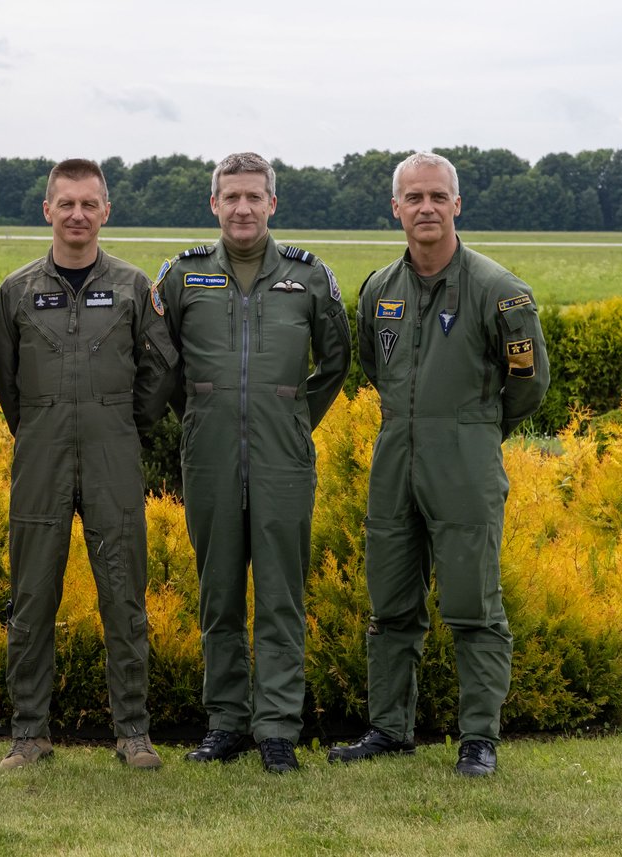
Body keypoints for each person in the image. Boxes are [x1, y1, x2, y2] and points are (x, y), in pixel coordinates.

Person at [328, 151, 549, 776]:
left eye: (437, 197)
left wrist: (475, 429)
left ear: (457, 205)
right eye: (413, 198)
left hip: (465, 459)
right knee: (390, 603)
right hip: (395, 455)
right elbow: (375, 364)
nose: (426, 208)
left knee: (473, 605)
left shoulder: (500, 291)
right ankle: (389, 729)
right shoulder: (380, 288)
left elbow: (528, 384)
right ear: (396, 208)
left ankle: (478, 739)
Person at [156, 152, 352, 773]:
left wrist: (294, 417)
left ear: (273, 203)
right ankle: (225, 723)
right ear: (214, 204)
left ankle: (276, 729)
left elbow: (337, 361)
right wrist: (198, 417)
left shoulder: (309, 277)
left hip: (283, 458)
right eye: (231, 197)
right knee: (218, 594)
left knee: (280, 595)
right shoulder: (182, 277)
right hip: (210, 455)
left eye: (254, 197)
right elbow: (161, 367)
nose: (243, 208)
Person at [0, 159, 178, 770]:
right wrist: (40, 425)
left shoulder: (131, 286)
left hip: (111, 453)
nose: (77, 215)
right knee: (31, 595)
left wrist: (123, 425)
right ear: (47, 210)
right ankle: (29, 733)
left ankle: (132, 733)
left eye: (88, 204)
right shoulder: (16, 292)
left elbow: (159, 370)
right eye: (65, 204)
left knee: (124, 595)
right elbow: (5, 380)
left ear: (105, 212)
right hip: (39, 453)